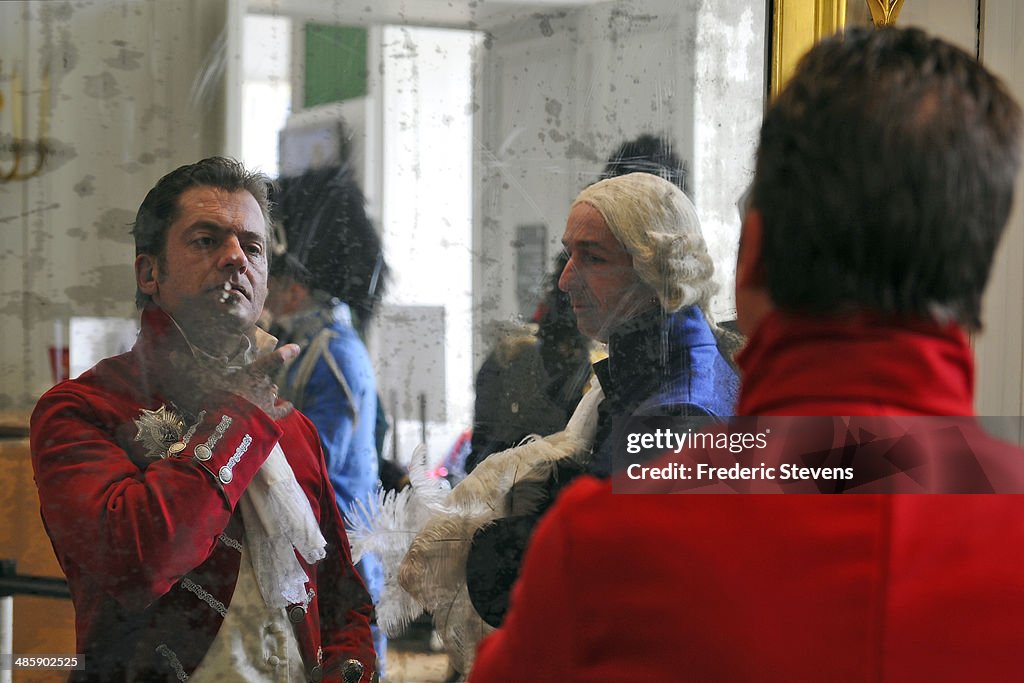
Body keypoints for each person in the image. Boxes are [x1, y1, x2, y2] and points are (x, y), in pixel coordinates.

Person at [469, 26, 1024, 682]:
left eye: (591, 257)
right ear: (978, 268)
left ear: (751, 255)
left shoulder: (606, 545)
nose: (568, 280)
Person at [31, 157, 376, 682]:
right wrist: (240, 416)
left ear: (264, 282)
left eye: (253, 246)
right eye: (206, 240)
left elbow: (344, 603)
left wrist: (350, 667)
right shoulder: (82, 410)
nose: (236, 257)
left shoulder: (292, 426)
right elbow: (139, 561)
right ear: (150, 273)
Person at [395, 171, 739, 672]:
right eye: (569, 253)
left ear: (656, 271)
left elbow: (613, 604)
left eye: (593, 258)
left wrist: (513, 546)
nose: (564, 280)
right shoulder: (662, 365)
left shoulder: (678, 415)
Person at [264, 163, 390, 677]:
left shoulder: (330, 353)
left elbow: (316, 463)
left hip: (340, 545)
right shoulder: (320, 345)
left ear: (294, 287)